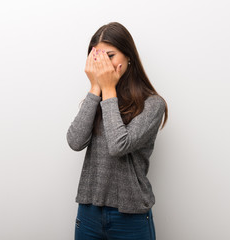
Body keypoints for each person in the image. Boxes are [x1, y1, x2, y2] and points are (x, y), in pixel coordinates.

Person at [67, 22, 168, 240]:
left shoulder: (153, 105)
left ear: (128, 57)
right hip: (89, 212)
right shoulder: (95, 100)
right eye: (97, 59)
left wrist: (108, 89)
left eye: (110, 56)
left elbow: (118, 145)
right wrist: (96, 87)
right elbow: (75, 142)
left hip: (131, 218)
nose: (104, 66)